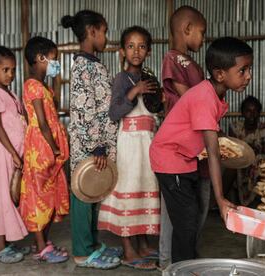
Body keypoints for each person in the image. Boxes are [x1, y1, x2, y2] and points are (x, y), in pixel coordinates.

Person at [150, 37, 253, 262]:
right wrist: (221, 197)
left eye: (249, 69)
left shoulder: (214, 94)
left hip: (184, 159)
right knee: (186, 223)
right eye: (243, 70)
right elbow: (213, 152)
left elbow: (212, 137)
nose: (249, 76)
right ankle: (181, 268)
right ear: (219, 74)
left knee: (190, 219)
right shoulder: (205, 97)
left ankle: (185, 265)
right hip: (169, 158)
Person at [61, 10, 121, 269]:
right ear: (93, 31)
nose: (106, 37)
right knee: (82, 196)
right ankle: (82, 253)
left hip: (98, 146)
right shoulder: (83, 66)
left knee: (94, 194)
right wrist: (97, 145)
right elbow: (85, 111)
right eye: (104, 31)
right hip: (89, 147)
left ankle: (93, 243)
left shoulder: (93, 63)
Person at [97, 26, 159, 270]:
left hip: (146, 146)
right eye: (131, 46)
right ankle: (128, 250)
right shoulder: (123, 79)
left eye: (141, 46)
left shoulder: (148, 77)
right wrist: (135, 91)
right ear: (122, 51)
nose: (136, 51)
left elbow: (154, 109)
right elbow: (114, 112)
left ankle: (142, 243)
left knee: (144, 189)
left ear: (149, 51)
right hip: (129, 147)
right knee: (128, 192)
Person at [159, 5, 207, 269]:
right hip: (177, 147)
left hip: (194, 143)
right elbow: (188, 97)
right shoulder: (173, 59)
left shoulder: (192, 63)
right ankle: (170, 263)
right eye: (202, 32)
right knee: (176, 212)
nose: (203, 39)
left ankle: (187, 259)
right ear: (187, 29)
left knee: (192, 210)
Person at [19, 36, 69, 264]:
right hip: (41, 147)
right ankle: (41, 247)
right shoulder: (32, 85)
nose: (56, 63)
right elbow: (42, 122)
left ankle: (43, 242)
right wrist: (55, 147)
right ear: (40, 58)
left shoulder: (44, 86)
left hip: (46, 145)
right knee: (38, 196)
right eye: (53, 59)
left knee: (48, 196)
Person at [0, 44, 28, 263]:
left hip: (13, 153)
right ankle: (0, 245)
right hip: (2, 154)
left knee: (12, 195)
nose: (10, 74)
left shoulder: (10, 94)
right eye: (5, 70)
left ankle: (9, 242)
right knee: (3, 197)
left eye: (12, 70)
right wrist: (13, 153)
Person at [224, 96, 265, 206]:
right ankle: (222, 200)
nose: (252, 115)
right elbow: (233, 148)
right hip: (239, 160)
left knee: (261, 167)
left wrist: (246, 150)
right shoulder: (235, 127)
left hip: (256, 162)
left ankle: (257, 203)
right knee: (231, 168)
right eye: (248, 111)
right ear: (242, 112)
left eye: (255, 111)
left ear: (259, 113)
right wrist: (249, 149)